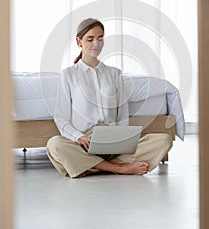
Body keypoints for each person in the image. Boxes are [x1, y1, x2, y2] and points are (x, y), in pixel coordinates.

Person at [46, 18, 172, 178]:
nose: (96, 44)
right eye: (90, 39)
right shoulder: (68, 75)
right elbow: (61, 117)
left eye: (100, 38)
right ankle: (119, 168)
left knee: (164, 140)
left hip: (113, 139)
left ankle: (90, 166)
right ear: (79, 41)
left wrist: (123, 139)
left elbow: (122, 114)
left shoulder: (114, 74)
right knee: (54, 145)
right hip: (85, 141)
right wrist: (78, 137)